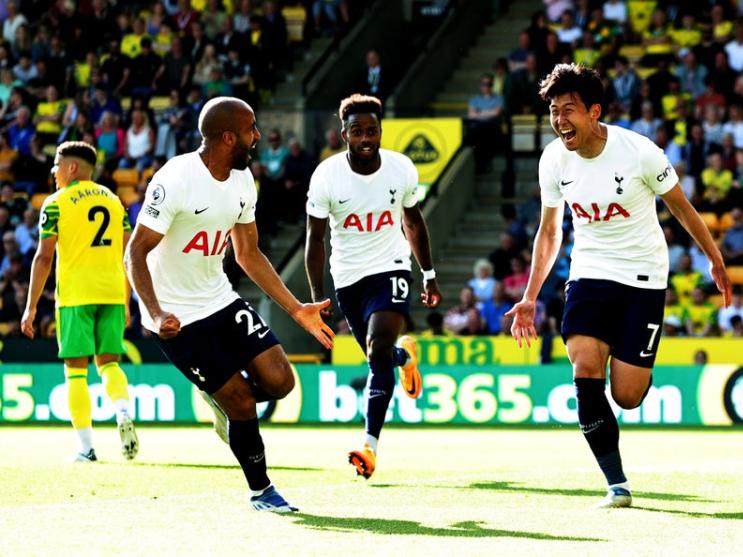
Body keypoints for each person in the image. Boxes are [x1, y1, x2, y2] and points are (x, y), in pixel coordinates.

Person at [506, 64, 730, 509]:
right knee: (585, 370)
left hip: (645, 276)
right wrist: (530, 297)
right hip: (589, 273)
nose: (560, 120)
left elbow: (682, 209)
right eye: (554, 111)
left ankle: (635, 376)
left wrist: (714, 258)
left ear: (594, 112)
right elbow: (550, 233)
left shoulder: (639, 152)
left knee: (627, 396)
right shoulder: (553, 159)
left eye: (568, 110)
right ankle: (616, 484)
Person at [125, 97, 335, 512]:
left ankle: (223, 399)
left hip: (219, 298)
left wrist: (297, 309)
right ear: (227, 137)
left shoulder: (242, 180)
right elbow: (135, 252)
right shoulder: (176, 178)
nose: (257, 136)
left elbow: (249, 254)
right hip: (177, 316)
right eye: (251, 129)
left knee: (281, 382)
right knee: (240, 400)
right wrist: (153, 312)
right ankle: (262, 491)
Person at [305, 94, 442, 480]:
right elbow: (315, 240)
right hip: (348, 277)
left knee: (377, 345)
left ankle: (370, 446)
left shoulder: (401, 169)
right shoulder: (326, 176)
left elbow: (413, 223)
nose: (366, 137)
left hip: (392, 266)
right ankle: (405, 359)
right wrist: (317, 296)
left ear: (381, 130)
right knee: (378, 357)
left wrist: (428, 274)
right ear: (344, 134)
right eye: (357, 131)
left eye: (372, 130)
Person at [20, 141, 138, 463]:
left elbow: (44, 258)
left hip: (75, 295)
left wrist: (30, 307)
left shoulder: (56, 203)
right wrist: (126, 301)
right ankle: (123, 409)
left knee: (75, 373)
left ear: (72, 168)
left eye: (57, 166)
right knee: (110, 363)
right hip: (112, 292)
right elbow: (129, 256)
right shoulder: (115, 202)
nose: (54, 173)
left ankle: (86, 448)